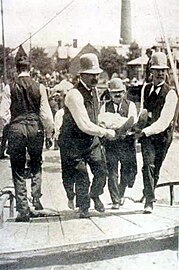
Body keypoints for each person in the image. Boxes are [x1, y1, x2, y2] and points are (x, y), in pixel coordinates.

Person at [58, 53, 115, 218]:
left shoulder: (95, 91)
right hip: (73, 143)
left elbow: (95, 117)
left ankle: (95, 194)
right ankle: (83, 207)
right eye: (91, 74)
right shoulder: (74, 95)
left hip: (91, 141)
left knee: (102, 170)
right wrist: (105, 132)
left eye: (97, 73)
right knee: (81, 176)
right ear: (81, 74)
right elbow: (84, 125)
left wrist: (105, 124)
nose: (95, 77)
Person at [1, 47, 54, 222]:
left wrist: (4, 131)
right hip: (35, 128)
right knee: (36, 162)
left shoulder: (9, 87)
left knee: (17, 167)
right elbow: (45, 114)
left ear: (17, 69)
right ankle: (36, 199)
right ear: (29, 69)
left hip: (16, 128)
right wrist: (50, 132)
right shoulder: (40, 87)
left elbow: (3, 114)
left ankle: (23, 210)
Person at [137, 52, 178, 214]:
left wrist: (144, 131)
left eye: (163, 70)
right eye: (157, 70)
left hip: (162, 136)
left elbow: (164, 122)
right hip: (147, 136)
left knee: (156, 168)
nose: (160, 73)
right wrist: (137, 125)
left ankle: (148, 191)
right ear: (151, 71)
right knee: (148, 165)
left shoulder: (171, 93)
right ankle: (149, 200)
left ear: (167, 72)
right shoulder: (145, 89)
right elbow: (142, 110)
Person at [99, 78, 138, 209]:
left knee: (128, 170)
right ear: (109, 94)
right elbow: (102, 123)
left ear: (124, 92)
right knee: (112, 171)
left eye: (120, 92)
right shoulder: (105, 106)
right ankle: (115, 199)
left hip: (127, 142)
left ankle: (121, 193)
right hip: (112, 143)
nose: (117, 95)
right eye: (114, 92)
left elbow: (132, 122)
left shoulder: (130, 105)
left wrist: (122, 126)